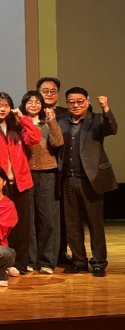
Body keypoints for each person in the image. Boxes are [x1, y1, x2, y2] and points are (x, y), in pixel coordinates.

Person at [57, 88, 117, 277]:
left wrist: (106, 108)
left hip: (91, 180)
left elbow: (112, 129)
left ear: (87, 101)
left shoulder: (97, 119)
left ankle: (98, 263)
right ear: (67, 103)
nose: (76, 105)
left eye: (80, 101)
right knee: (72, 224)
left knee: (95, 224)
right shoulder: (62, 121)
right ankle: (79, 261)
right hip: (68, 179)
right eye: (71, 102)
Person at [0, 92, 41, 277]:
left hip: (20, 182)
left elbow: (35, 138)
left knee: (21, 227)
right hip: (0, 186)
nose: (3, 109)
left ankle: (20, 264)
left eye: (6, 105)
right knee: (0, 227)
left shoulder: (17, 125)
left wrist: (22, 118)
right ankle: (2, 263)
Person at [19, 91, 63, 274]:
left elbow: (58, 142)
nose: (33, 104)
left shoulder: (47, 123)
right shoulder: (19, 123)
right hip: (26, 174)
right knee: (28, 220)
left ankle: (47, 262)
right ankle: (29, 260)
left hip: (47, 174)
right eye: (29, 101)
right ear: (24, 104)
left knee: (49, 220)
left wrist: (52, 120)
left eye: (37, 101)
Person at [36, 76, 72, 269]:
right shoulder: (32, 111)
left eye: (53, 91)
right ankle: (38, 254)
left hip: (65, 169)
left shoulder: (67, 113)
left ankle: (60, 252)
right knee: (42, 215)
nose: (49, 94)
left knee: (63, 215)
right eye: (45, 91)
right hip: (42, 169)